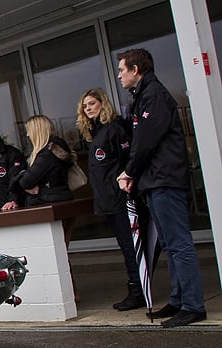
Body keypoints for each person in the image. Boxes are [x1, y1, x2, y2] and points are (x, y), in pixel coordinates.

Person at [115, 48, 205, 328]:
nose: (119, 75)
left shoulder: (154, 95)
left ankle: (193, 305)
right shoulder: (143, 96)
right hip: (154, 181)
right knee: (169, 243)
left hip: (165, 180)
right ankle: (179, 300)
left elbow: (146, 141)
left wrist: (129, 171)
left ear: (136, 70)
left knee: (179, 244)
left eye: (122, 70)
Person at [76, 88, 144, 311]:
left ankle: (138, 290)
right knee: (125, 246)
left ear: (102, 104)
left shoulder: (115, 129)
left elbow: (129, 161)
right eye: (85, 106)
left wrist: (127, 188)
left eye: (92, 104)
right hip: (109, 201)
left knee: (129, 246)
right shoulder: (96, 134)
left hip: (121, 198)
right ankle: (138, 287)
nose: (88, 109)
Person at [12, 115, 74, 206]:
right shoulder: (52, 151)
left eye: (29, 131)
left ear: (37, 131)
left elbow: (26, 181)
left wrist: (21, 176)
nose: (27, 135)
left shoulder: (47, 154)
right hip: (56, 200)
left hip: (49, 203)